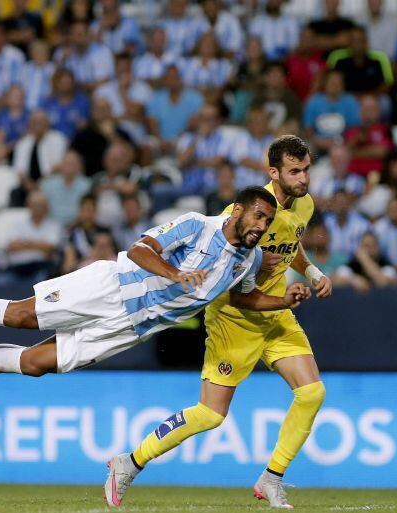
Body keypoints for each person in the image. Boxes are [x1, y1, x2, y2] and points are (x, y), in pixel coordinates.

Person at [0, 188, 311, 395]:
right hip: (110, 287)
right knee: (21, 315)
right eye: (257, 216)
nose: (260, 226)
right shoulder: (197, 224)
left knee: (36, 364)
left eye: (266, 223)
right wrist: (176, 276)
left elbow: (241, 299)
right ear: (238, 210)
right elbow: (141, 248)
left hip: (132, 327)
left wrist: (282, 300)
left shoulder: (247, 262)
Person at [105, 136, 331, 509]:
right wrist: (269, 281)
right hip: (234, 318)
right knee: (210, 414)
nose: (304, 178)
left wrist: (312, 270)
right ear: (273, 172)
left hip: (275, 315)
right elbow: (224, 285)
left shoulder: (303, 205)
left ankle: (271, 479)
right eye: (295, 171)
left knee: (312, 392)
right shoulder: (244, 212)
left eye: (307, 169)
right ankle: (128, 462)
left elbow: (293, 241)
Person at [0, 191, 63, 284]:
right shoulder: (17, 224)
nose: (38, 208)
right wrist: (38, 245)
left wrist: (25, 244)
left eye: (41, 205)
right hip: (16, 268)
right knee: (0, 281)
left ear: (47, 207)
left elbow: (51, 247)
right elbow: (11, 246)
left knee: (44, 282)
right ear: (28, 205)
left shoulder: (53, 225)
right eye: (36, 205)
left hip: (41, 267)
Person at [10, 111, 69, 207]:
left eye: (40, 122)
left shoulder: (58, 139)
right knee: (15, 193)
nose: (37, 125)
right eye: (34, 122)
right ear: (29, 124)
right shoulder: (23, 143)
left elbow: (58, 167)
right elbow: (19, 170)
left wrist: (40, 183)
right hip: (28, 185)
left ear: (47, 123)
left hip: (51, 183)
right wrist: (29, 185)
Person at [146, 65, 204, 154]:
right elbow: (153, 124)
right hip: (160, 139)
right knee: (146, 147)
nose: (171, 80)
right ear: (164, 80)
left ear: (180, 79)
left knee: (188, 143)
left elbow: (192, 125)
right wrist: (161, 141)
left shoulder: (195, 98)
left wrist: (174, 141)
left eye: (174, 77)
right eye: (168, 78)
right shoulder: (155, 98)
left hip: (183, 138)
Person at [327, 25, 393, 98]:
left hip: (371, 99)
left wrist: (367, 97)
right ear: (349, 43)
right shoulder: (340, 62)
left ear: (366, 42)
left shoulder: (377, 62)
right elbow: (332, 84)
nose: (358, 44)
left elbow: (385, 86)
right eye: (354, 41)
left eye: (360, 40)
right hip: (345, 100)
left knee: (385, 100)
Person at [303, 70, 360, 153]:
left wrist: (345, 147)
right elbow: (308, 130)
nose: (335, 85)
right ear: (325, 84)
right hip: (318, 145)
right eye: (332, 82)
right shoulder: (313, 101)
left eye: (338, 83)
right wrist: (320, 142)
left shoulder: (350, 102)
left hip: (343, 145)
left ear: (343, 85)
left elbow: (355, 130)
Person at [343, 94, 393, 178]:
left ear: (379, 111)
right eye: (366, 109)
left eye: (372, 109)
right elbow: (346, 152)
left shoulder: (386, 129)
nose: (369, 113)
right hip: (353, 176)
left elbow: (383, 152)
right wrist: (357, 140)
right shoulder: (353, 130)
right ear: (360, 111)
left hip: (378, 175)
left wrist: (356, 152)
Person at [40, 150, 93, 226]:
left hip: (78, 225)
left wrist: (74, 224)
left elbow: (87, 210)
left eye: (73, 164)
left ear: (79, 166)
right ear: (61, 165)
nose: (70, 167)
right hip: (51, 225)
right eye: (67, 164)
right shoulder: (48, 184)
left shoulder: (86, 185)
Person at [41, 68, 90, 140]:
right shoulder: (48, 103)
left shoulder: (83, 101)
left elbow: (85, 124)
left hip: (76, 141)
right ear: (56, 83)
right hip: (52, 142)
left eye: (68, 82)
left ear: (73, 83)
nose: (66, 85)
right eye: (62, 82)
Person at [0, 85, 30, 164]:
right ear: (7, 98)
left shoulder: (28, 115)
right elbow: (0, 136)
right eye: (14, 95)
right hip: (7, 149)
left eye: (20, 95)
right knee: (0, 150)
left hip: (23, 149)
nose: (18, 98)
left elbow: (27, 136)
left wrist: (12, 147)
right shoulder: (2, 115)